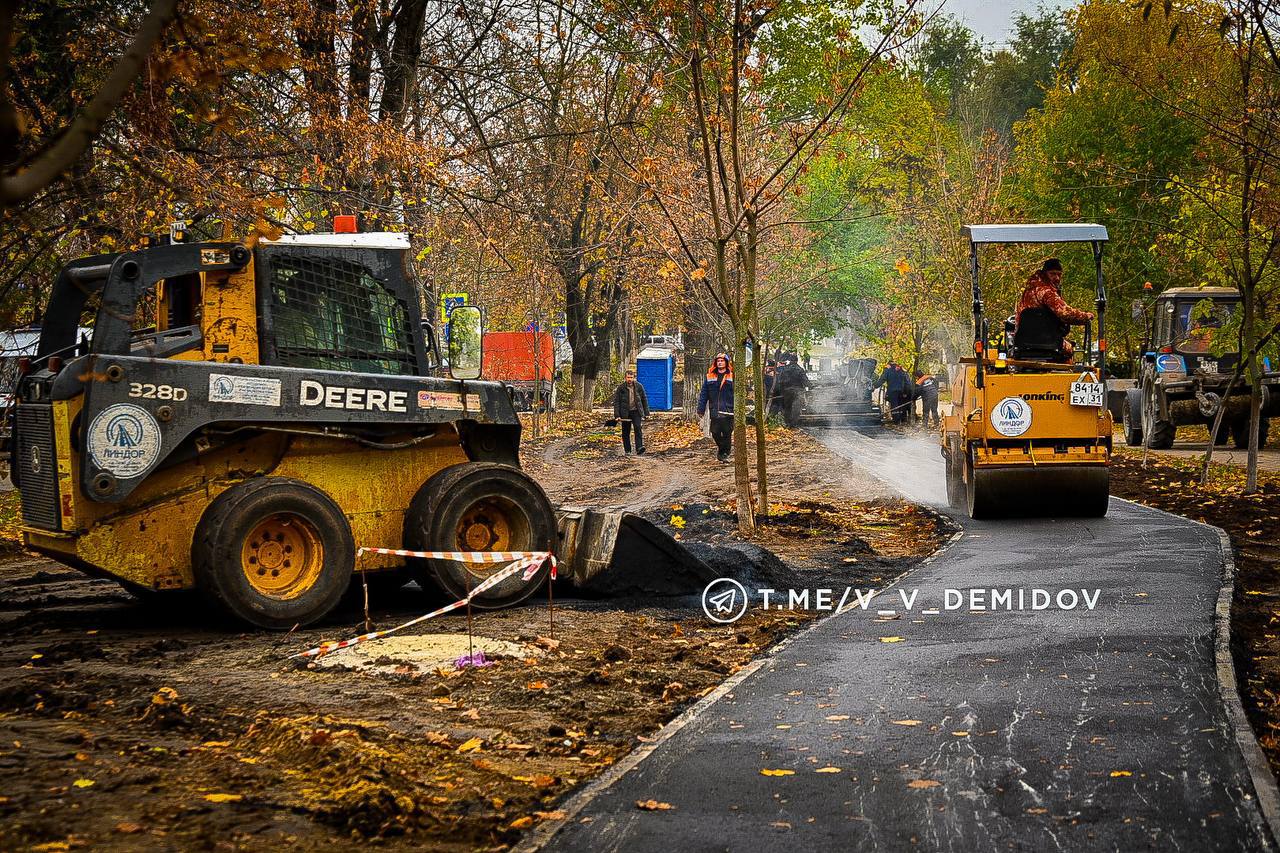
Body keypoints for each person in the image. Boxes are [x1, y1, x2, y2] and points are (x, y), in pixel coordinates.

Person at [1015, 258, 1094, 359]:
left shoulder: (1030, 290)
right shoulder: (1046, 292)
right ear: (1044, 273)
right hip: (1047, 341)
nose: (1057, 278)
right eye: (1052, 274)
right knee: (1072, 351)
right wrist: (1086, 316)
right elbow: (1065, 313)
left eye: (1059, 274)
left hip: (1023, 342)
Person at [697, 353, 735, 462]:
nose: (720, 362)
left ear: (726, 363)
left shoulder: (732, 376)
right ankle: (721, 449)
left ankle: (725, 453)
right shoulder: (710, 376)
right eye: (718, 361)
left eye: (722, 361)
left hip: (728, 410)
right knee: (715, 432)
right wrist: (701, 409)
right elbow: (704, 393)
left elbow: (738, 393)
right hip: (715, 410)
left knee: (727, 432)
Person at [612, 369, 649, 455]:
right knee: (625, 431)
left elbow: (644, 399)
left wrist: (646, 413)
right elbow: (617, 402)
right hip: (625, 412)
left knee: (638, 428)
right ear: (625, 378)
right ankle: (627, 450)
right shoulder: (621, 388)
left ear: (634, 378)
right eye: (628, 377)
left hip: (636, 411)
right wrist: (617, 415)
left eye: (631, 377)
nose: (629, 379)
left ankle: (639, 448)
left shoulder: (639, 386)